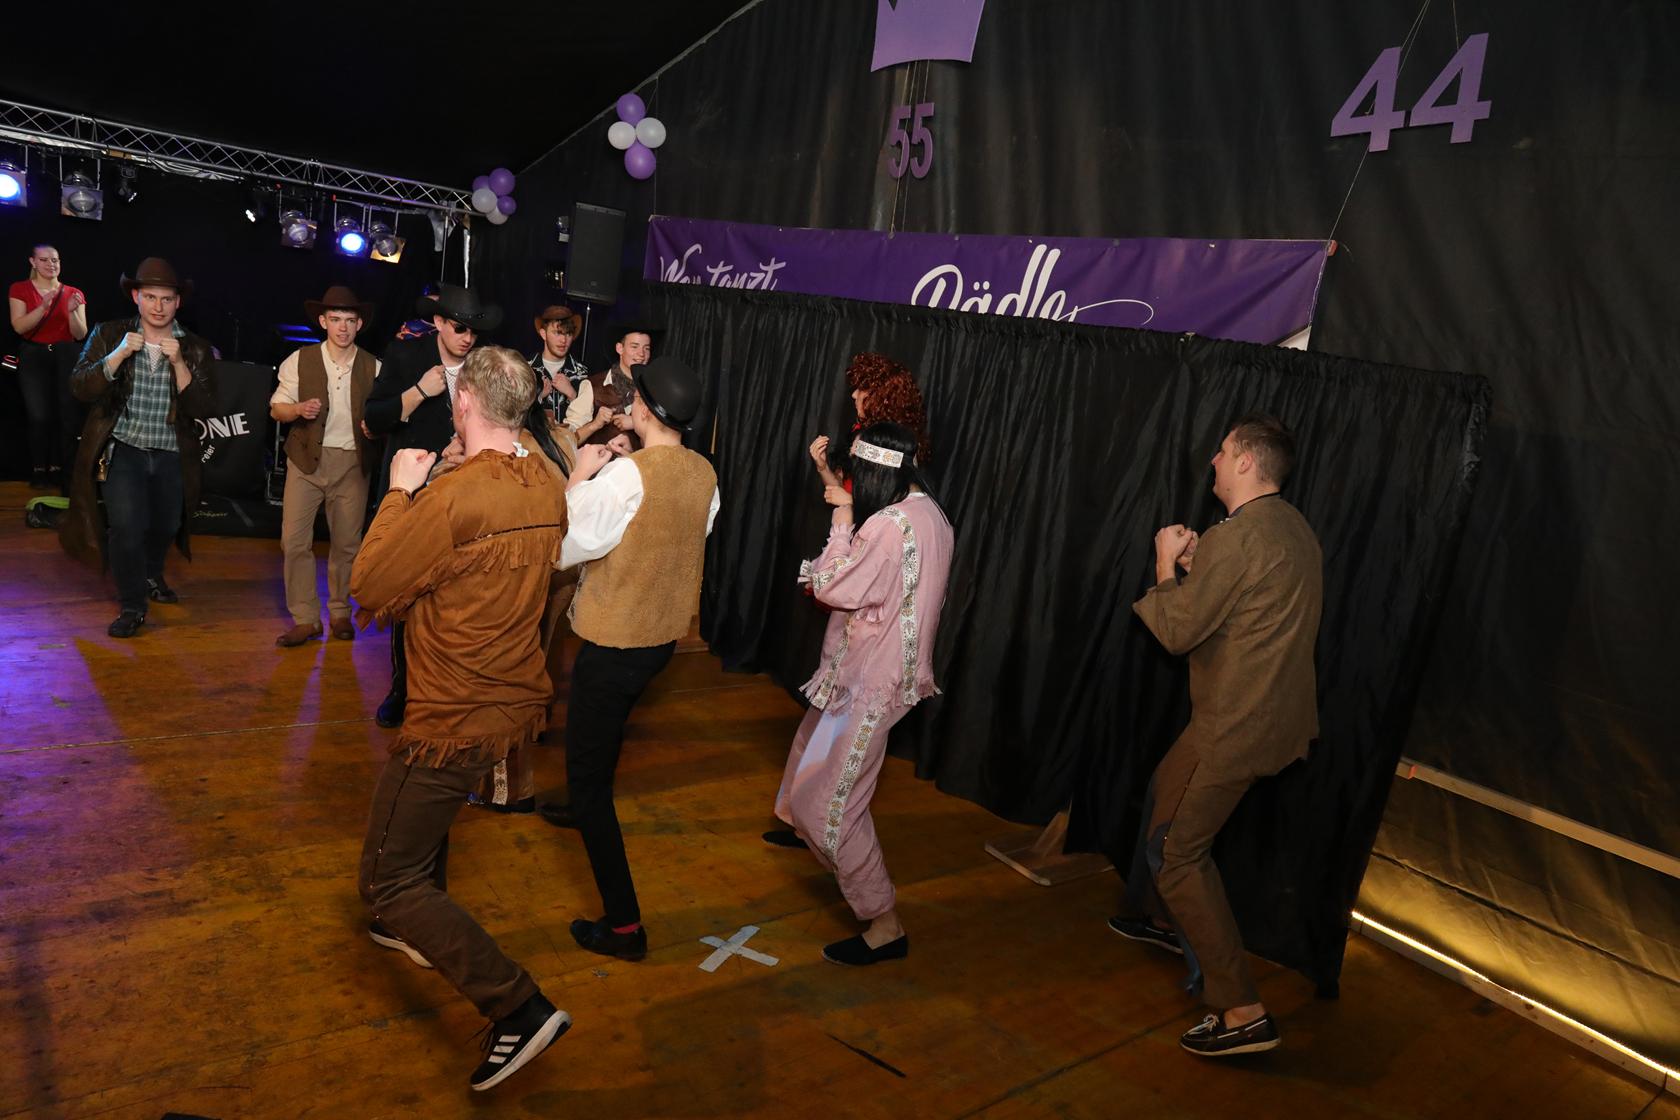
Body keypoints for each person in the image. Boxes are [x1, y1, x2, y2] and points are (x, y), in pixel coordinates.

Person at [351, 345, 571, 1091]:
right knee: (423, 827)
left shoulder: (450, 498)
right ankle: (411, 927)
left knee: (388, 879)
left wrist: (400, 492)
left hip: (452, 718)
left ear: (464, 403)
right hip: (511, 703)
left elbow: (370, 586)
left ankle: (517, 1007)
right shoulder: (546, 483)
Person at [1111, 412, 1322, 1058]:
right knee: (1163, 792)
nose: (1214, 460)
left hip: (1234, 726)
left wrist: (1165, 565)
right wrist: (1200, 563)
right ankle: (1166, 919)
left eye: (1225, 451)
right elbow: (1249, 601)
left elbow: (1177, 632)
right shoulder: (1292, 528)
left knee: (1180, 855)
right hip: (1267, 719)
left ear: (1248, 463)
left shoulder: (1238, 537)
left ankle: (1242, 1010)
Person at [548, 355, 719, 961]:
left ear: (642, 409)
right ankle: (581, 801)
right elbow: (688, 534)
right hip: (661, 639)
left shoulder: (627, 476)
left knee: (590, 779)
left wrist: (580, 474)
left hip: (616, 641)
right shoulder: (704, 472)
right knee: (605, 738)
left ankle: (624, 927)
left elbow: (566, 545)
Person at [774, 422, 952, 965]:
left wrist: (841, 518)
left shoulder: (889, 526)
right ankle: (801, 827)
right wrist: (836, 489)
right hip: (871, 672)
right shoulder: (929, 511)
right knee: (810, 755)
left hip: (873, 681)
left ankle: (883, 923)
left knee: (831, 806)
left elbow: (830, 585)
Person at [363, 283, 502, 727]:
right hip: (417, 491)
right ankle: (402, 687)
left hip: (467, 495)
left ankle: (445, 687)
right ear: (439, 322)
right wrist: (418, 392)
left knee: (455, 597)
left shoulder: (483, 366)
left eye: (473, 331)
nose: (467, 338)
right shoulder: (407, 355)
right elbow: (373, 417)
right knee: (408, 591)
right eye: (459, 328)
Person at [60, 258, 216, 638]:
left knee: (166, 525)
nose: (158, 306)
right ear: (136, 297)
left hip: (172, 453)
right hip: (123, 448)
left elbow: (204, 408)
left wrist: (179, 363)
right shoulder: (109, 333)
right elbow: (79, 387)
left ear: (178, 302)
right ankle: (132, 605)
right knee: (126, 528)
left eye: (166, 298)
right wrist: (117, 356)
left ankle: (150, 573)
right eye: (150, 297)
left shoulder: (195, 347)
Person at [271, 286, 381, 647]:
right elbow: (276, 409)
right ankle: (305, 618)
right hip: (306, 460)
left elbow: (383, 415)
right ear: (323, 321)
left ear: (359, 324)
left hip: (352, 463)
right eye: (335, 319)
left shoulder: (374, 366)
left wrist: (374, 427)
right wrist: (298, 409)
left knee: (347, 544)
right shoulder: (299, 359)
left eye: (349, 320)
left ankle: (339, 612)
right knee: (294, 541)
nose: (343, 327)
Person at [9, 244, 89, 490]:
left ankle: (59, 469)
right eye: (44, 260)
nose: (50, 264)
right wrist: (43, 307)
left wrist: (72, 312)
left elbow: (80, 334)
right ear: (33, 262)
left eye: (54, 260)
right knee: (39, 416)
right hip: (34, 355)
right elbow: (19, 327)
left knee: (65, 415)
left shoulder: (74, 292)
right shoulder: (20, 289)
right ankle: (38, 469)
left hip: (66, 354)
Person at [562, 321, 651, 433]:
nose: (641, 354)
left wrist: (636, 423)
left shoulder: (654, 388)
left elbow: (666, 432)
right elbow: (569, 434)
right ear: (620, 348)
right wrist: (595, 424)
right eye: (634, 347)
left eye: (646, 348)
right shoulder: (593, 386)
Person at [531, 304, 589, 424]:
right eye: (557, 333)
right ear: (543, 334)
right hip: (533, 436)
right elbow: (513, 414)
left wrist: (572, 394)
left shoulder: (582, 373)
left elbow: (587, 419)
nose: (563, 340)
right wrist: (538, 397)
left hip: (571, 436)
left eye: (568, 334)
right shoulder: (526, 369)